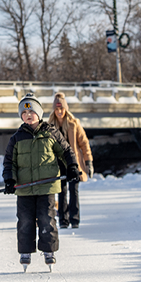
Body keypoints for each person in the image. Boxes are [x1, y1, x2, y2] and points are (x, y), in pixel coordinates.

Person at [2, 93, 79, 269]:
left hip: (46, 186)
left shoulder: (51, 133)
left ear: (39, 114)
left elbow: (66, 151)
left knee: (47, 218)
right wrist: (9, 179)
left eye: (32, 112)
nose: (28, 116)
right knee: (25, 220)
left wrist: (72, 166)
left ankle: (49, 250)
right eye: (24, 113)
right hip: (24, 188)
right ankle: (25, 251)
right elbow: (9, 162)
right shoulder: (16, 138)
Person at [48, 92, 94, 229]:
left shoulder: (74, 124)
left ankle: (74, 219)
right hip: (59, 164)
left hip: (73, 163)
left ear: (66, 108)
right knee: (61, 191)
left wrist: (88, 162)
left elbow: (84, 143)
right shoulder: (50, 125)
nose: (59, 112)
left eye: (61, 108)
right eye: (57, 109)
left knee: (74, 191)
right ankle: (63, 219)